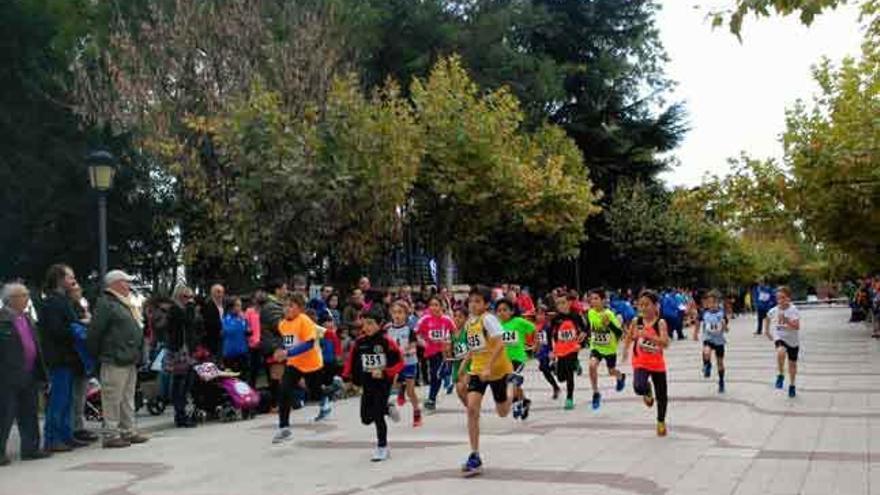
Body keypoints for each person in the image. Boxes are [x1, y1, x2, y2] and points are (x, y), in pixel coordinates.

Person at [87, 270, 149, 448]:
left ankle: (128, 431)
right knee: (112, 398)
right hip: (114, 358)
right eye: (125, 282)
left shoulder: (123, 303)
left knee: (127, 397)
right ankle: (111, 434)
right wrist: (101, 354)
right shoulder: (107, 304)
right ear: (114, 284)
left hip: (128, 358)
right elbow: (95, 333)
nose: (128, 285)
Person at [459, 286, 513, 476]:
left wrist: (489, 366)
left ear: (486, 304)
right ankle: (475, 455)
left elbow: (500, 342)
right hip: (477, 371)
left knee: (503, 412)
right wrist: (464, 366)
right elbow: (474, 348)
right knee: (472, 409)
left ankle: (511, 392)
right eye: (471, 301)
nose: (473, 305)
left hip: (496, 370)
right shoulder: (469, 322)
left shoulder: (488, 319)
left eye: (477, 301)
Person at [342, 305, 403, 461]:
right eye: (365, 323)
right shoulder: (360, 342)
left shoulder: (386, 342)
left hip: (383, 383)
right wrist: (347, 378)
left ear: (379, 324)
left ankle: (382, 447)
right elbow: (350, 361)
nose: (367, 327)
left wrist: (385, 372)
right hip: (367, 382)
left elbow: (400, 362)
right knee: (366, 418)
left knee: (376, 414)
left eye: (371, 323)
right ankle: (387, 409)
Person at [0, 283, 52, 465]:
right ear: (11, 299)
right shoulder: (2, 319)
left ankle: (30, 449)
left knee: (29, 413)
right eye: (23, 295)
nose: (27, 298)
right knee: (5, 415)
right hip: (7, 376)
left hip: (30, 373)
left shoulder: (28, 318)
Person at [38, 264, 84, 452]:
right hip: (59, 358)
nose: (73, 280)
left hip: (67, 357)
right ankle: (53, 438)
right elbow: (56, 330)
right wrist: (77, 329)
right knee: (59, 399)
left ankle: (66, 435)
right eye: (69, 277)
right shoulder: (53, 303)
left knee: (67, 400)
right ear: (59, 279)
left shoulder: (62, 301)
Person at [271, 293, 324, 444]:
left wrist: (287, 352)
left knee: (316, 393)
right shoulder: (282, 324)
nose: (287, 309)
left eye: (291, 306)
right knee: (284, 390)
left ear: (300, 308)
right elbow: (286, 342)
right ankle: (284, 428)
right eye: (285, 306)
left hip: (312, 364)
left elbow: (308, 344)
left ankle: (332, 388)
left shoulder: (304, 321)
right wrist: (279, 351)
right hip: (294, 364)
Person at [622, 290, 670, 437]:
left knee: (662, 396)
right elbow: (630, 336)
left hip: (657, 363)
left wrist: (649, 336)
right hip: (640, 361)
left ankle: (661, 422)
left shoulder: (660, 322)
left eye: (647, 304)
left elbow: (665, 343)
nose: (643, 308)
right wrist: (625, 350)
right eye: (640, 305)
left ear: (655, 306)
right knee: (638, 387)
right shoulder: (637, 321)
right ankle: (647, 390)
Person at [586, 288, 626, 411]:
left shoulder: (609, 314)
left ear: (603, 300)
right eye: (591, 299)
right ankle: (596, 393)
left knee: (611, 371)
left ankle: (620, 377)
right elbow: (590, 327)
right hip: (596, 347)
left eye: (596, 298)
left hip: (609, 349)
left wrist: (609, 324)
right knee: (592, 366)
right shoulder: (590, 313)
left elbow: (620, 333)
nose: (593, 301)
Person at [495, 299, 535, 420]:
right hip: (504, 360)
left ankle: (516, 404)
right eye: (499, 310)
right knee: (511, 383)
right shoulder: (497, 325)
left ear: (511, 311)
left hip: (518, 358)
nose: (502, 313)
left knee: (511, 381)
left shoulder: (518, 322)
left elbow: (533, 328)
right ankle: (525, 401)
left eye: (505, 310)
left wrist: (535, 344)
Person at [415, 296, 456, 412]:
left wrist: (450, 342)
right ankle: (447, 376)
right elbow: (415, 333)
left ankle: (432, 399)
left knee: (436, 374)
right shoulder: (425, 319)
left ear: (442, 306)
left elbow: (455, 332)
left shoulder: (447, 319)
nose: (433, 308)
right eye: (431, 305)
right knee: (435, 375)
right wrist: (423, 343)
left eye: (436, 305)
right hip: (430, 351)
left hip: (443, 351)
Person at [67, 283, 97, 444]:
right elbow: (75, 327)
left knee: (81, 395)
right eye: (76, 289)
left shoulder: (81, 305)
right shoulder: (70, 307)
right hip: (76, 357)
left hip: (83, 357)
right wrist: (86, 322)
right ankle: (74, 427)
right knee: (75, 395)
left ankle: (78, 426)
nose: (80, 291)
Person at [166, 285, 198, 428]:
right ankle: (180, 415)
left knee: (188, 382)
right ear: (178, 296)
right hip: (178, 350)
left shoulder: (184, 310)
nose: (189, 300)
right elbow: (188, 321)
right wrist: (191, 307)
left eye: (191, 297)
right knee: (180, 383)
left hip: (187, 349)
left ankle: (183, 412)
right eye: (186, 297)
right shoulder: (175, 309)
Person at [550, 294, 588, 410]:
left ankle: (569, 398)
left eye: (563, 302)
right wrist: (553, 350)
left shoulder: (575, 316)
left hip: (573, 348)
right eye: (558, 303)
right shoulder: (556, 319)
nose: (561, 306)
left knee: (569, 373)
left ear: (569, 303)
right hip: (561, 349)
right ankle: (575, 364)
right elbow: (552, 335)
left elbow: (586, 328)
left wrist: (584, 334)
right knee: (561, 377)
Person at [387, 301, 421, 427]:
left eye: (400, 313)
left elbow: (413, 349)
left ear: (406, 315)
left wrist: (404, 352)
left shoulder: (409, 331)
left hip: (409, 363)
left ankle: (417, 412)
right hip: (396, 364)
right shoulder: (388, 330)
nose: (397, 315)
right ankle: (400, 389)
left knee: (411, 392)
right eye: (394, 312)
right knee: (393, 384)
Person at [765, 286, 800, 398]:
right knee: (780, 352)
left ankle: (792, 385)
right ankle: (780, 374)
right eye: (778, 298)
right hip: (780, 337)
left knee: (792, 365)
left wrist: (786, 320)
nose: (781, 301)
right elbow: (767, 317)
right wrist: (767, 331)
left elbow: (797, 327)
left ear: (789, 298)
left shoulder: (793, 310)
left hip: (793, 341)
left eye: (783, 298)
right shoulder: (774, 310)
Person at [260, 280, 288, 411]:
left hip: (279, 344)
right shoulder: (271, 306)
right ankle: (275, 404)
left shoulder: (278, 305)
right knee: (277, 376)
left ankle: (280, 403)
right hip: (274, 346)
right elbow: (278, 326)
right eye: (284, 288)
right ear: (277, 290)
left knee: (281, 376)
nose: (286, 291)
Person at [693, 291, 728, 393]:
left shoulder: (722, 314)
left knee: (720, 363)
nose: (712, 305)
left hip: (719, 341)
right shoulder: (704, 313)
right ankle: (707, 364)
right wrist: (695, 333)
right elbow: (698, 322)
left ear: (718, 303)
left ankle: (721, 381)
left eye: (714, 303)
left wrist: (724, 325)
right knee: (706, 351)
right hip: (708, 338)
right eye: (709, 303)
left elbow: (726, 329)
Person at [534, 305, 561, 400]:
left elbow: (552, 339)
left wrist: (553, 351)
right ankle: (555, 384)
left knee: (544, 367)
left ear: (545, 316)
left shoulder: (548, 326)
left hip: (548, 351)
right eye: (537, 314)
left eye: (542, 314)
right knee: (544, 369)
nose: (539, 317)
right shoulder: (534, 326)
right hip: (539, 352)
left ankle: (555, 387)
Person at [447, 306, 470, 406]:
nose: (457, 319)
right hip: (456, 363)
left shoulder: (468, 332)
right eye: (455, 316)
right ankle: (471, 407)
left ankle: (473, 408)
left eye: (460, 317)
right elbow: (450, 351)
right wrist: (447, 350)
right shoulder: (451, 332)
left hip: (468, 363)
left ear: (466, 318)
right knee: (459, 392)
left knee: (462, 387)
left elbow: (472, 350)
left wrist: (465, 361)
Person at [221, 296, 250, 374]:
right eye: (237, 305)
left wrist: (244, 320)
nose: (240, 308)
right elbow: (228, 331)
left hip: (243, 353)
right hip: (229, 354)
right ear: (231, 307)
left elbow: (248, 331)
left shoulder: (243, 319)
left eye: (240, 305)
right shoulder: (225, 319)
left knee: (244, 378)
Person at [244, 292, 263, 388]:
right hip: (252, 344)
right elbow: (246, 326)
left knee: (260, 368)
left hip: (263, 343)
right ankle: (251, 388)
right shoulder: (249, 311)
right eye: (256, 298)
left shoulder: (265, 311)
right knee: (252, 369)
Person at [201, 284, 225, 356]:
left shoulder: (224, 306)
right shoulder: (208, 306)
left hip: (223, 338)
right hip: (212, 338)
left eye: (222, 292)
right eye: (218, 292)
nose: (220, 294)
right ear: (212, 293)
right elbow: (208, 323)